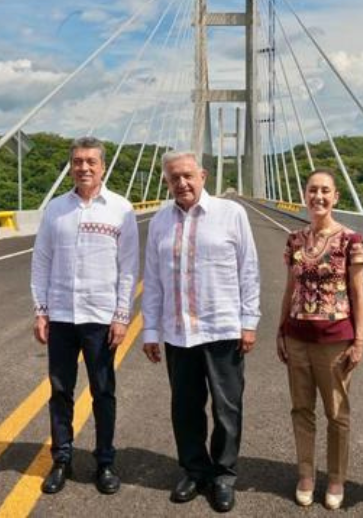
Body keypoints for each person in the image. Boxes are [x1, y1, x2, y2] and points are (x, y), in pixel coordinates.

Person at [141, 150, 260, 513]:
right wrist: (149, 330)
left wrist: (249, 322)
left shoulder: (231, 214)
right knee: (185, 408)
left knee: (227, 408)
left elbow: (248, 270)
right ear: (167, 181)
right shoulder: (160, 221)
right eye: (174, 178)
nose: (182, 183)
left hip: (222, 328)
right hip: (179, 333)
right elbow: (154, 281)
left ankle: (223, 475)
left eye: (188, 176)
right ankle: (194, 470)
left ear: (203, 175)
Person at [30, 136, 139, 495]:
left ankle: (105, 462)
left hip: (101, 317)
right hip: (61, 315)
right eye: (78, 161)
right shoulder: (56, 209)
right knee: (60, 391)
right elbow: (41, 260)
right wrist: (41, 310)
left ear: (103, 166)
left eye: (91, 161)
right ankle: (61, 459)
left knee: (103, 392)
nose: (84, 168)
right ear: (71, 166)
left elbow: (128, 268)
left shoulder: (121, 209)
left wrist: (122, 315)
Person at [276, 168, 363, 510]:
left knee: (337, 413)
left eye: (325, 191)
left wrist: (359, 342)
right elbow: (290, 288)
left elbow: (358, 296)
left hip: (335, 341)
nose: (318, 196)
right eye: (313, 190)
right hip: (297, 337)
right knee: (301, 409)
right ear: (304, 194)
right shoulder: (295, 239)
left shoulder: (350, 240)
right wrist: (281, 330)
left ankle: (337, 478)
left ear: (336, 197)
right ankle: (305, 475)